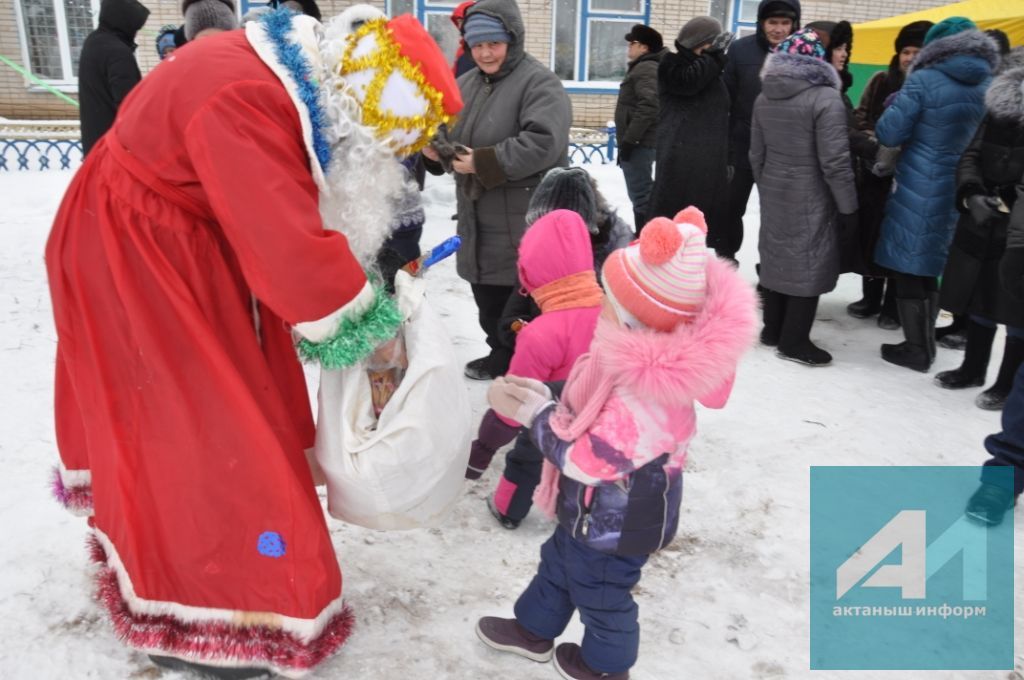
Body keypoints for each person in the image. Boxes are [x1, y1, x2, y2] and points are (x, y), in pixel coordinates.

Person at [45, 8, 461, 677]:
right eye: (377, 152)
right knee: (205, 430)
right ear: (355, 118)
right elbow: (290, 253)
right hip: (139, 256)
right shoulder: (245, 100)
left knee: (191, 419)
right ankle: (214, 607)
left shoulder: (277, 81)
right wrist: (372, 325)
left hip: (157, 245)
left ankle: (184, 576)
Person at [474, 210, 757, 680]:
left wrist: (535, 416)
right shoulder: (619, 362)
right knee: (559, 564)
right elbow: (588, 411)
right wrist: (550, 400)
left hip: (617, 524)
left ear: (633, 319)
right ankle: (533, 630)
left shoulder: (646, 396)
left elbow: (590, 459)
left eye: (610, 300)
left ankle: (607, 667)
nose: (601, 305)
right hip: (590, 513)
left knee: (602, 593)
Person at [421, 0, 572, 382]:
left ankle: (529, 364)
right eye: (477, 45)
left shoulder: (539, 83)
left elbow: (544, 142)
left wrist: (483, 161)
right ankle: (500, 353)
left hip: (524, 215)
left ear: (512, 39)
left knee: (518, 298)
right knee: (485, 294)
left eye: (494, 43)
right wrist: (434, 150)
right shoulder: (466, 84)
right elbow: (446, 133)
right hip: (476, 214)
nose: (486, 52)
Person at [466, 209, 603, 531]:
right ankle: (583, 511)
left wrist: (483, 448)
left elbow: (513, 404)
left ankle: (508, 509)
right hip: (599, 413)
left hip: (547, 416)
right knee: (590, 462)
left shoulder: (540, 333)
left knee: (526, 460)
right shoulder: (609, 312)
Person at [874, 18, 999, 372]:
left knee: (910, 263)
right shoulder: (987, 82)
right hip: (961, 184)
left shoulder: (924, 79)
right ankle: (924, 341)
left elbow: (890, 131)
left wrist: (896, 104)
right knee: (930, 263)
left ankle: (916, 348)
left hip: (920, 181)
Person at [750, 28, 857, 366]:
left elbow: (756, 154)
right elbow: (835, 162)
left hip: (774, 188)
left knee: (778, 253)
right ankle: (795, 340)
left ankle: (773, 329)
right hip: (812, 192)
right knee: (808, 260)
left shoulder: (764, 97)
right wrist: (849, 207)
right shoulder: (825, 98)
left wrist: (767, 186)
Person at [934, 44, 1024, 409]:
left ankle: (1008, 385)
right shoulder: (996, 110)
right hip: (981, 217)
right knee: (979, 297)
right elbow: (971, 154)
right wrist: (971, 193)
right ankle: (972, 368)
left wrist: (1009, 201)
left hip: (1018, 227)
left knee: (1017, 308)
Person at [847, 20, 933, 330]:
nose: (910, 57)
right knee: (873, 236)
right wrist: (877, 146)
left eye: (917, 51)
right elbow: (861, 118)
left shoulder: (932, 88)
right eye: (905, 51)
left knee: (900, 241)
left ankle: (893, 307)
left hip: (913, 177)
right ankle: (870, 297)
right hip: (876, 174)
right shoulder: (882, 80)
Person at [720, 0, 800, 262]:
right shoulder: (741, 51)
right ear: (761, 23)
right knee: (730, 209)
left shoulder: (802, 54)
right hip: (742, 146)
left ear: (794, 24)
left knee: (777, 215)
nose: (778, 29)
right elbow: (725, 100)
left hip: (782, 151)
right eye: (772, 22)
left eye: (785, 23)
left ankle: (770, 270)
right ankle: (726, 260)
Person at [647, 17, 731, 240]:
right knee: (672, 223)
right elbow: (688, 83)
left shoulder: (711, 70)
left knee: (697, 227)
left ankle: (690, 265)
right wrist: (714, 56)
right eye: (711, 44)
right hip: (680, 158)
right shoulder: (671, 64)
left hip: (706, 162)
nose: (715, 50)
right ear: (699, 42)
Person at [77, 0, 150, 155]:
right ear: (125, 22)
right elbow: (129, 106)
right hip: (114, 149)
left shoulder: (93, 42)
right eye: (135, 27)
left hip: (95, 142)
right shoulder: (118, 53)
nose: (136, 33)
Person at [614, 24, 665, 230]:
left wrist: (630, 140)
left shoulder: (646, 68)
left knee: (641, 194)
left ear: (644, 47)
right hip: (639, 141)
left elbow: (650, 105)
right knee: (642, 193)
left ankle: (648, 240)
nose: (629, 47)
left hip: (640, 143)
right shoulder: (645, 67)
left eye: (632, 43)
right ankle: (647, 237)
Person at [451, 0, 476, 77]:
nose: (460, 25)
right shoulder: (463, 46)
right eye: (459, 21)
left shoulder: (476, 47)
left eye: (464, 20)